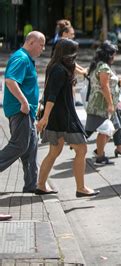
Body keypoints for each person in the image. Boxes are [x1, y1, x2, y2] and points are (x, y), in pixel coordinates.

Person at [35, 39, 99, 197]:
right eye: (73, 52)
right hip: (64, 116)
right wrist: (44, 118)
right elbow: (52, 96)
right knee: (82, 149)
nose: (75, 56)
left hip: (59, 115)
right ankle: (80, 188)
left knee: (54, 151)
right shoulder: (59, 70)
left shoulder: (56, 66)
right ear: (67, 53)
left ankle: (41, 185)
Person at [1, 31, 45, 193]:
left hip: (26, 112)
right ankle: (32, 184)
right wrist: (24, 101)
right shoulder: (21, 58)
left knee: (31, 148)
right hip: (20, 111)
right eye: (41, 45)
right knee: (19, 146)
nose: (43, 48)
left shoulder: (26, 58)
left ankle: (32, 185)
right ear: (31, 42)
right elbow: (10, 80)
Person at [85, 41, 121, 165]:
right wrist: (110, 104)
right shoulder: (104, 67)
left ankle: (99, 151)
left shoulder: (98, 65)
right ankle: (100, 157)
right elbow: (104, 86)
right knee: (105, 130)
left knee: (113, 128)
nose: (114, 58)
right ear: (108, 55)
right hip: (102, 105)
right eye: (113, 55)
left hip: (102, 103)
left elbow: (111, 84)